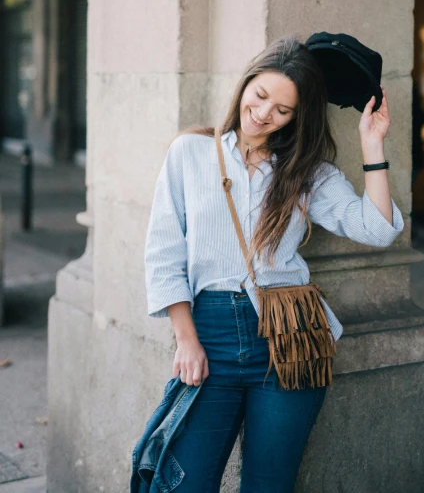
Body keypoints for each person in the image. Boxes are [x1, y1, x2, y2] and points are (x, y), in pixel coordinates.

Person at [144, 35, 404, 492]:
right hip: (211, 335)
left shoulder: (306, 171)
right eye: (261, 96)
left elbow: (378, 229)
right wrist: (186, 340)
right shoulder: (190, 152)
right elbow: (164, 253)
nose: (264, 114)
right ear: (246, 84)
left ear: (297, 117)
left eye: (283, 110)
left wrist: (372, 145)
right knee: (186, 481)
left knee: (270, 484)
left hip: (289, 338)